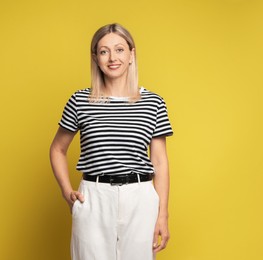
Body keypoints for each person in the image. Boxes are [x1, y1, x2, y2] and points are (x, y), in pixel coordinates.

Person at [50, 23, 173, 260]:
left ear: (131, 54)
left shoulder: (153, 102)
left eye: (119, 49)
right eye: (104, 51)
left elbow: (160, 161)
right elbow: (57, 149)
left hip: (140, 197)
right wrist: (67, 193)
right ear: (96, 58)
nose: (112, 57)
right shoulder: (80, 101)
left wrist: (163, 215)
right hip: (94, 196)